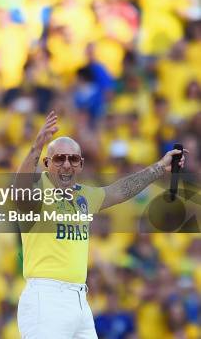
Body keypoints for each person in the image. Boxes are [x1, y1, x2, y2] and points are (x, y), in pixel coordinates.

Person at [15, 111, 187, 339]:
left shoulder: (84, 195)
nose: (67, 164)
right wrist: (36, 148)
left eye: (73, 159)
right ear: (47, 163)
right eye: (59, 158)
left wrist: (158, 168)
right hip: (46, 297)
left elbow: (120, 190)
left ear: (81, 165)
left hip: (79, 299)